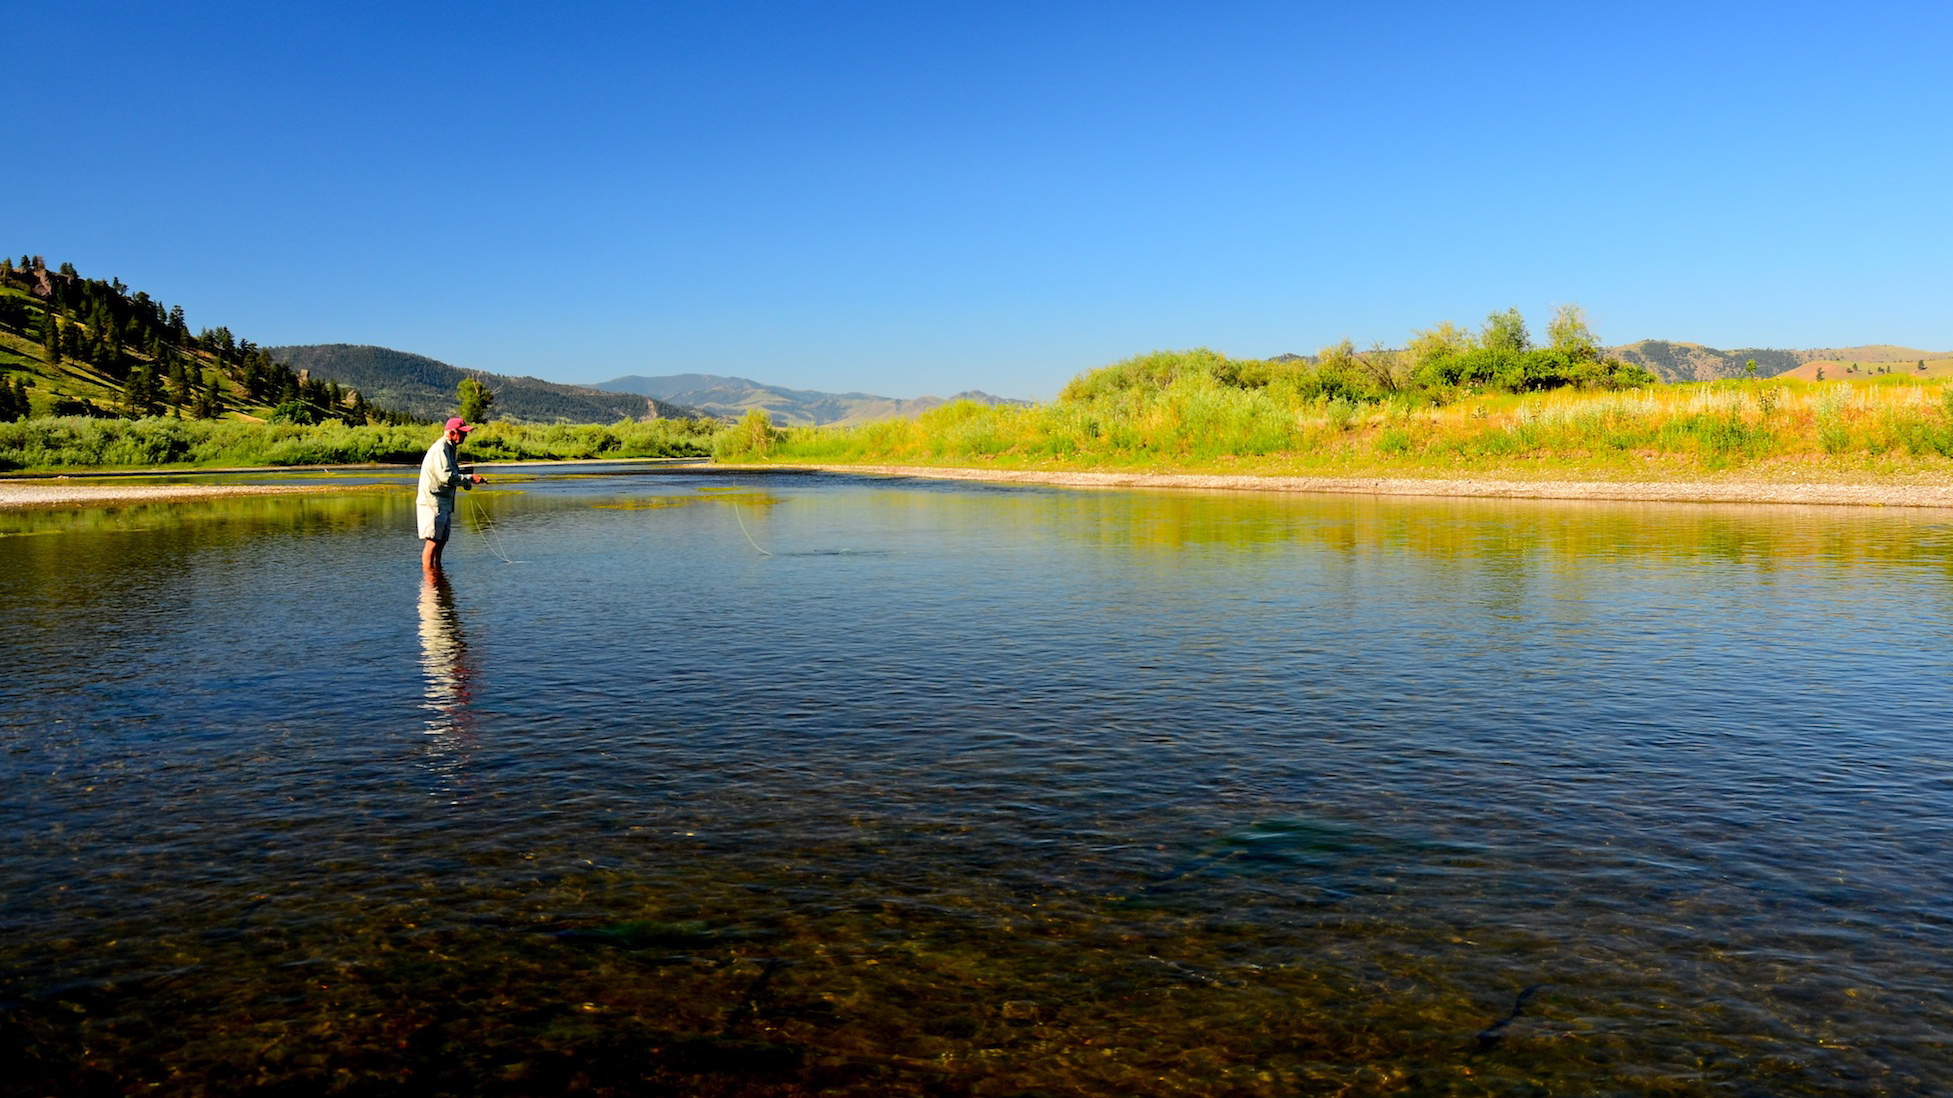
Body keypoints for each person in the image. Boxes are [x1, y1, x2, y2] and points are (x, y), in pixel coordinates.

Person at [418, 416, 484, 574]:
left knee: (441, 541)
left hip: (443, 502)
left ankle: (437, 575)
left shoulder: (449, 448)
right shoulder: (441, 448)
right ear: (453, 432)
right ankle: (430, 580)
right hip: (432, 502)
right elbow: (446, 477)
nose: (465, 436)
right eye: (463, 433)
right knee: (433, 541)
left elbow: (450, 473)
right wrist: (469, 478)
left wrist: (465, 477)